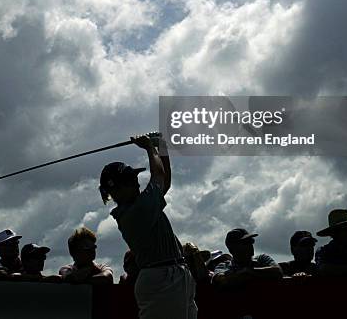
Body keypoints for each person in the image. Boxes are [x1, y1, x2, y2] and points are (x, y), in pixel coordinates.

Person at [100, 134, 197, 319]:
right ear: (115, 189)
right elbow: (158, 177)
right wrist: (149, 148)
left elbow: (164, 183)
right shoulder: (136, 211)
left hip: (174, 274)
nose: (136, 182)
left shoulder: (141, 204)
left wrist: (162, 147)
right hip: (161, 277)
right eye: (129, 180)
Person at [212, 228, 282, 288]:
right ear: (232, 249)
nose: (250, 245)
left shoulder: (262, 259)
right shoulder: (223, 266)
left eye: (251, 241)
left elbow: (278, 271)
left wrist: (249, 271)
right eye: (245, 243)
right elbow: (221, 279)